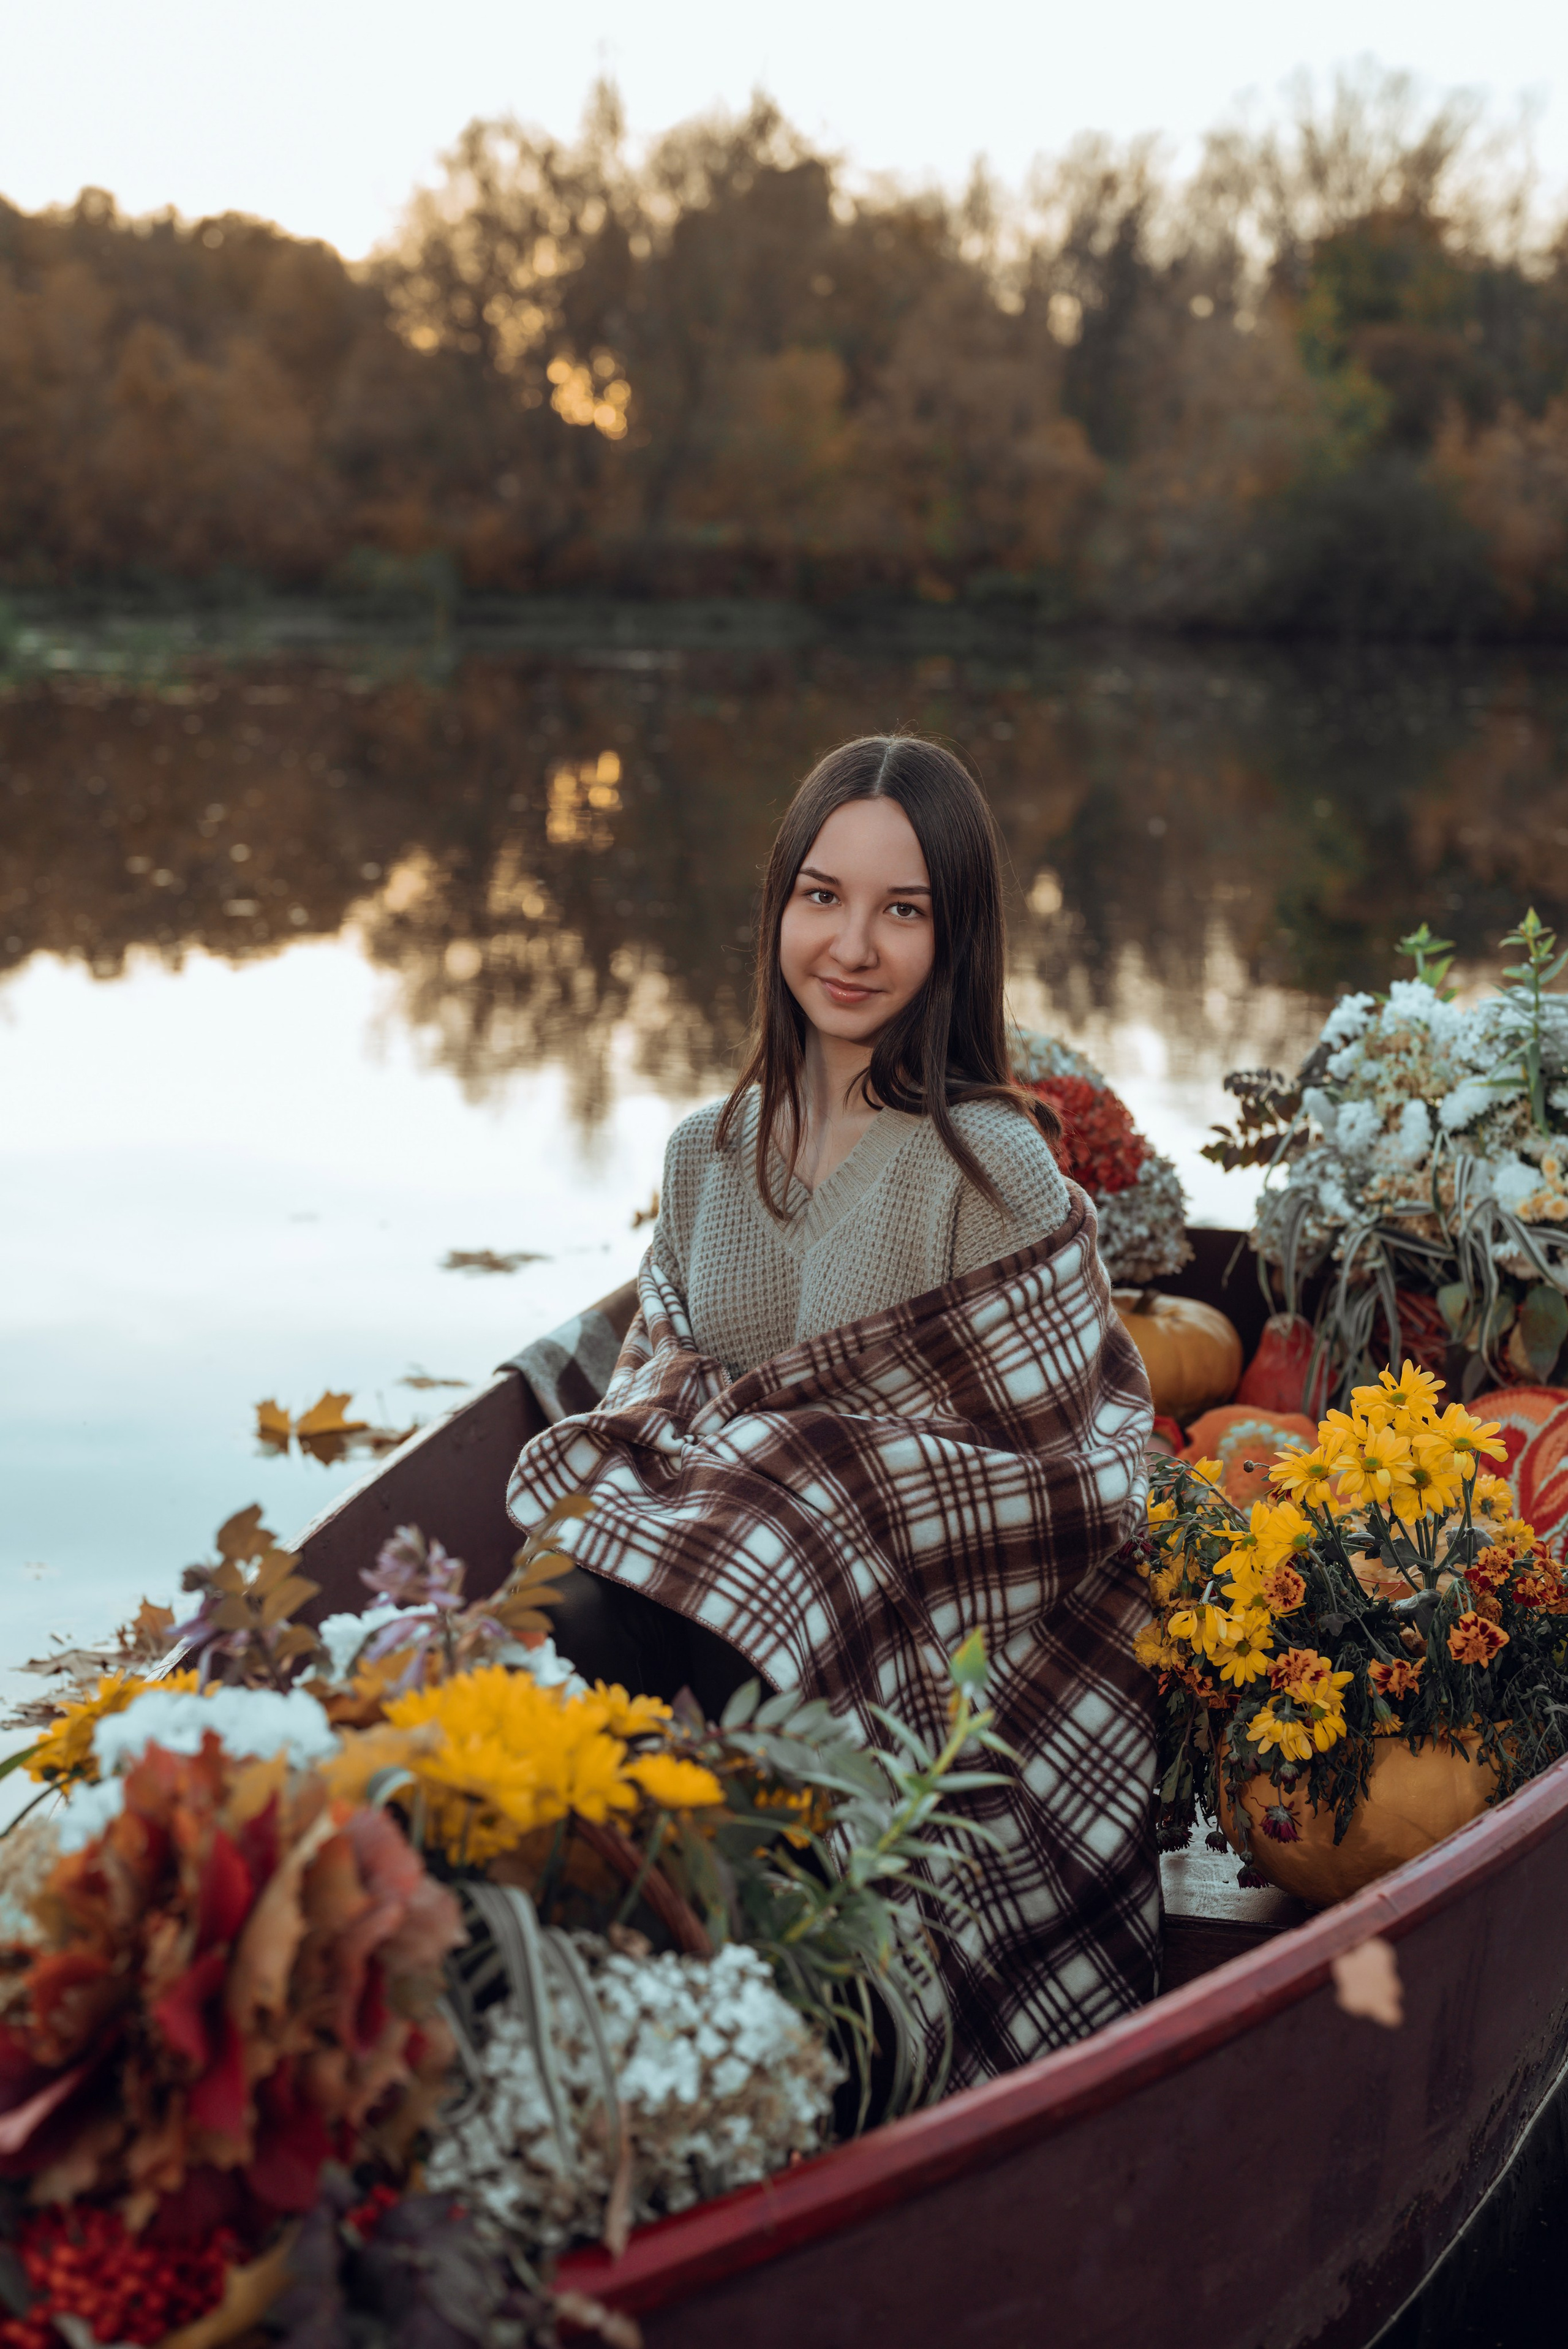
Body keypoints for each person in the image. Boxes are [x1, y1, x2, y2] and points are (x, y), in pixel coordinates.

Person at [508, 736, 1158, 2081]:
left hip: (922, 1641)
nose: (849, 944)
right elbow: (655, 1404)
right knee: (555, 1605)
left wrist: (817, 1476)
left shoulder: (987, 1162)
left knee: (783, 1496)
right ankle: (530, 1937)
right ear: (777, 910)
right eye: (821, 895)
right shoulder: (704, 1153)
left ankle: (806, 2020)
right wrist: (767, 1476)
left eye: (900, 909)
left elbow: (1070, 1473)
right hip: (717, 1591)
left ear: (953, 934)